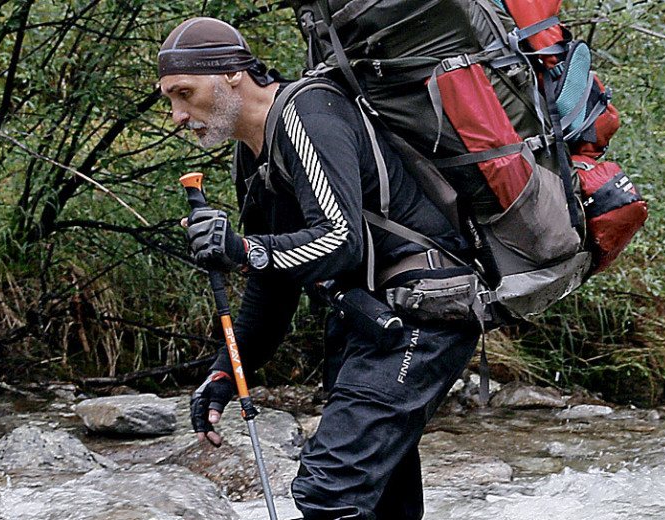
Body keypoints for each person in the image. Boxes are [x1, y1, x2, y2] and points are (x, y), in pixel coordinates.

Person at [157, 17, 481, 520]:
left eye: (184, 92)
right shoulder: (253, 153)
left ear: (233, 74)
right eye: (170, 99)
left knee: (331, 493)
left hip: (419, 311)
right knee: (380, 503)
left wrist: (242, 249)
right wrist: (226, 371)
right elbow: (272, 288)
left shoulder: (307, 112)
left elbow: (340, 241)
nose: (177, 115)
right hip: (369, 319)